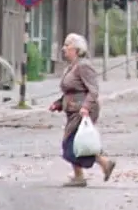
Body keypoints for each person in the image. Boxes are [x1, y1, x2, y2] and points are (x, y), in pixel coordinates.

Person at [49, 33, 116, 187]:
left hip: (82, 110)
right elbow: (70, 91)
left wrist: (86, 107)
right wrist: (58, 103)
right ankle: (96, 167)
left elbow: (93, 90)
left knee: (71, 144)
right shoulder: (71, 67)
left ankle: (92, 169)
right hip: (73, 110)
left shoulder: (84, 66)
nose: (64, 48)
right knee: (76, 143)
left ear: (77, 50)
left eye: (67, 46)